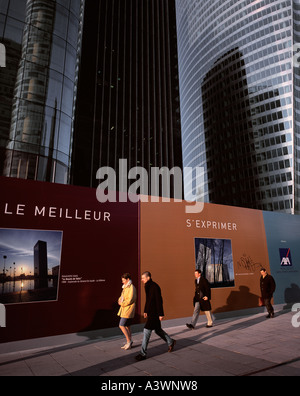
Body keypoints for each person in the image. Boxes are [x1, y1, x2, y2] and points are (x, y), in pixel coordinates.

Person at [135, 271, 176, 361]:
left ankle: (143, 353)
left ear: (148, 277)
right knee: (157, 330)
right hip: (151, 313)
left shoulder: (155, 286)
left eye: (143, 278)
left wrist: (161, 314)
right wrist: (146, 310)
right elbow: (148, 299)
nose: (141, 280)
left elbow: (159, 300)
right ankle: (171, 341)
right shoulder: (147, 286)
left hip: (155, 313)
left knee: (146, 331)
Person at [118, 273, 137, 350]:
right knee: (127, 326)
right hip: (125, 308)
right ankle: (129, 342)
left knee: (121, 325)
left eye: (123, 280)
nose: (122, 282)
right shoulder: (125, 287)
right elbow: (122, 296)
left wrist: (122, 303)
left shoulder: (131, 287)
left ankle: (128, 341)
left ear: (128, 279)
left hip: (128, 309)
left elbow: (130, 299)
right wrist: (119, 300)